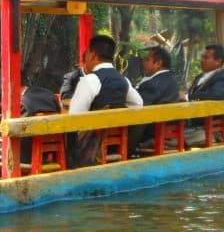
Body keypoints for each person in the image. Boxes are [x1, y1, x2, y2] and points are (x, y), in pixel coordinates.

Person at [68, 35, 143, 166]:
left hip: (88, 148)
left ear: (92, 55)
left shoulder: (90, 80)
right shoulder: (123, 81)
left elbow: (75, 116)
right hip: (113, 146)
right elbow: (138, 104)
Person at [129, 46, 180, 155]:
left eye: (147, 60)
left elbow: (136, 108)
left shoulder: (153, 85)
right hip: (163, 129)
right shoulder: (171, 80)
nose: (143, 63)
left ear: (158, 64)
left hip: (148, 134)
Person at [182, 44, 224, 147]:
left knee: (161, 139)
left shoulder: (221, 78)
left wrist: (188, 97)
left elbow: (218, 94)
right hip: (190, 124)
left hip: (205, 128)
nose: (202, 60)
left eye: (206, 58)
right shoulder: (200, 77)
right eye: (202, 57)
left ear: (218, 61)